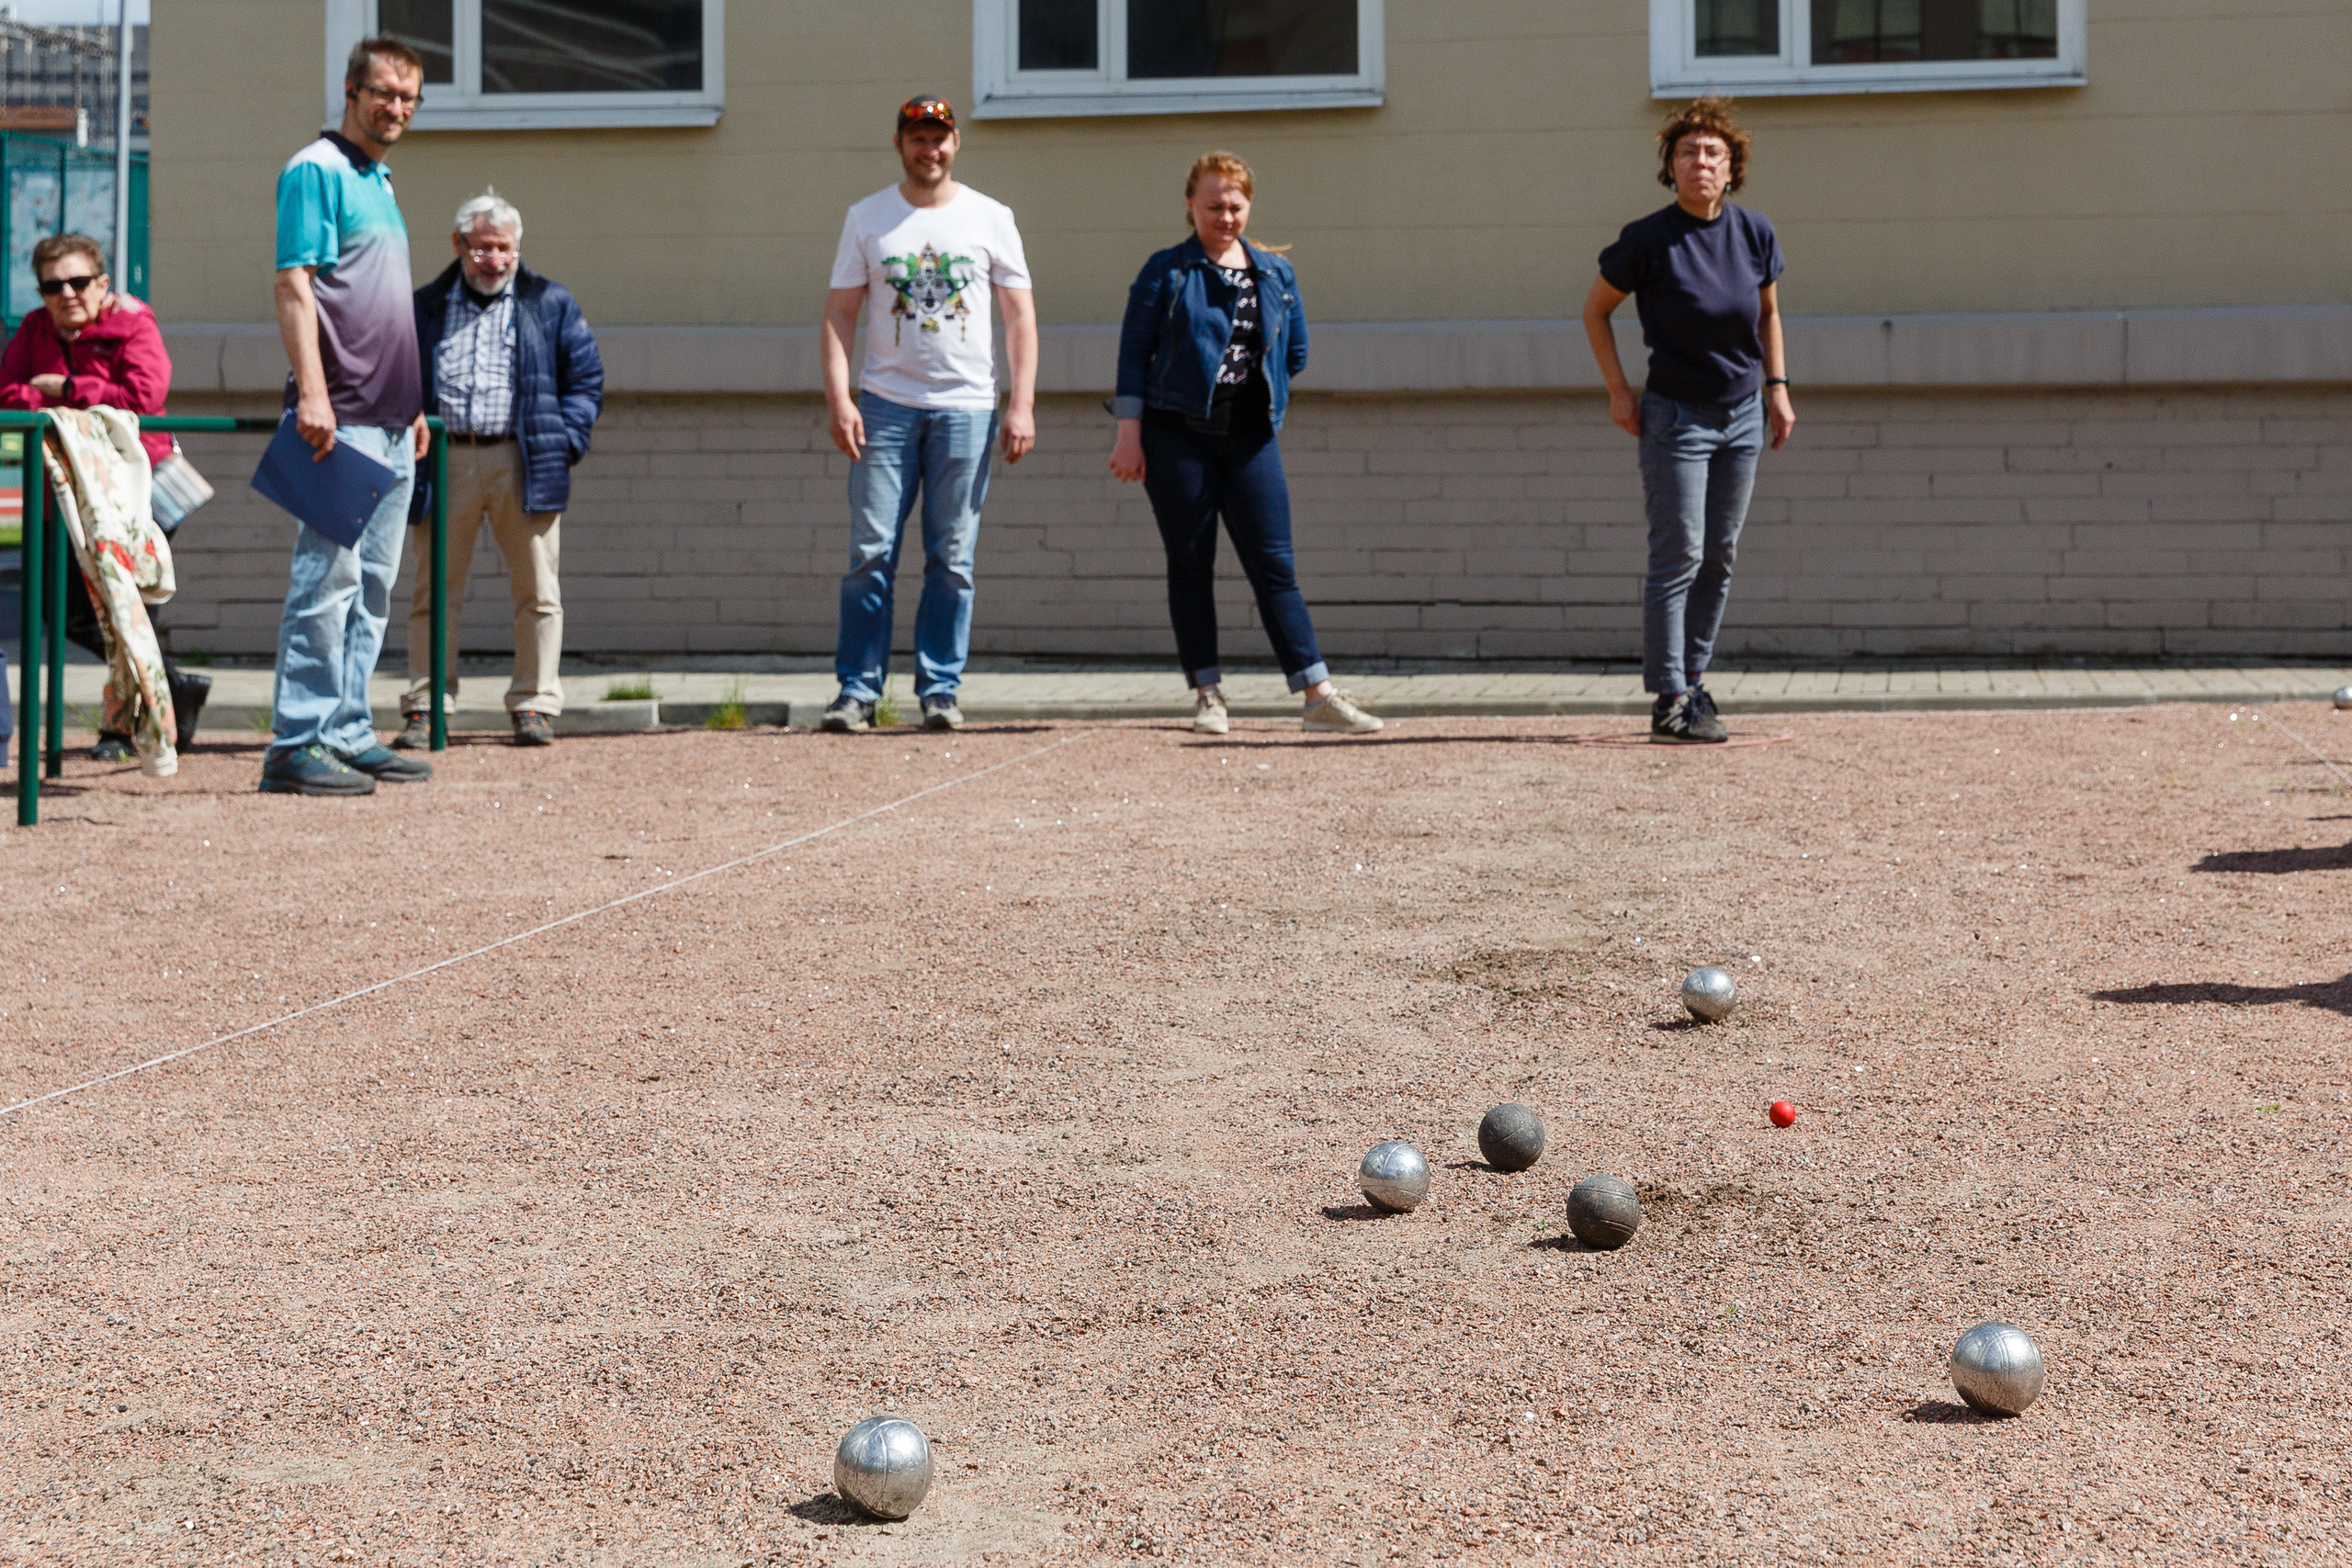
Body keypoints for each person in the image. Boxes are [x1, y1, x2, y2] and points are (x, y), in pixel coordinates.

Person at [1107, 152, 1382, 737]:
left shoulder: (1275, 273)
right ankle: (1208, 696)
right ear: (1190, 206)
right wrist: (1129, 433)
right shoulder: (1168, 271)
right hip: (1175, 436)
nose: (1225, 217)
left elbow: (1295, 352)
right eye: (1213, 207)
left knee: (1275, 566)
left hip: (1251, 438)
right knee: (1190, 564)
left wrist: (1259, 392)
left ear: (1249, 205)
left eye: (1235, 206)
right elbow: (1133, 357)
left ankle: (1317, 696)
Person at [817, 94, 1036, 733]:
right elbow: (840, 314)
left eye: (939, 137)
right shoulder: (868, 218)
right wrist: (840, 398)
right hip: (885, 408)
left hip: (967, 409)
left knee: (952, 559)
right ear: (899, 145)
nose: (929, 149)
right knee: (870, 552)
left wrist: (1021, 403)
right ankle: (857, 691)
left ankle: (940, 689)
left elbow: (1020, 317)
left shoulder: (991, 218)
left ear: (956, 142)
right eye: (917, 138)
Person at [1582, 96, 1794, 745]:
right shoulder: (1648, 239)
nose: (1700, 162)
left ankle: (1693, 681)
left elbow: (1768, 315)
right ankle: (1669, 697)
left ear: (1731, 168)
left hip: (1743, 414)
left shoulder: (1754, 232)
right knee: (1679, 554)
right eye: (1687, 152)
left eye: (1712, 153)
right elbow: (1595, 311)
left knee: (1719, 556)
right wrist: (1619, 392)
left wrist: (1778, 389)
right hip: (1676, 418)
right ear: (1670, 167)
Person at [259, 36, 435, 795]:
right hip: (342, 414)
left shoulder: (380, 181)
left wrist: (414, 404)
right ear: (351, 92)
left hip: (392, 418)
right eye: (384, 92)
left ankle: (347, 731)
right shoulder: (317, 169)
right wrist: (313, 393)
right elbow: (294, 284)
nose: (396, 107)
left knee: (372, 587)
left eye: (409, 97)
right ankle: (296, 742)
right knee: (326, 582)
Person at [394, 188, 605, 750]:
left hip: (524, 459)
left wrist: (564, 442)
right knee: (434, 592)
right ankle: (427, 705)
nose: (494, 260)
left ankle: (535, 703)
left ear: (517, 248)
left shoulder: (549, 302)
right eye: (482, 248)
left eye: (504, 248)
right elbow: (399, 377)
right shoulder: (426, 306)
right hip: (445, 459)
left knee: (538, 591)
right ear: (458, 245)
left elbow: (586, 381)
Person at [0, 231, 210, 757]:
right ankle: (172, 686)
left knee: (129, 604)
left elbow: (144, 394)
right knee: (63, 610)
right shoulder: (34, 328)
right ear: (41, 293)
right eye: (53, 286)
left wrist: (66, 390)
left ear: (103, 283)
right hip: (64, 490)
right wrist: (65, 400)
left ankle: (122, 729)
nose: (67, 294)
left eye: (78, 282)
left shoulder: (133, 323)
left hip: (131, 488)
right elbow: (7, 392)